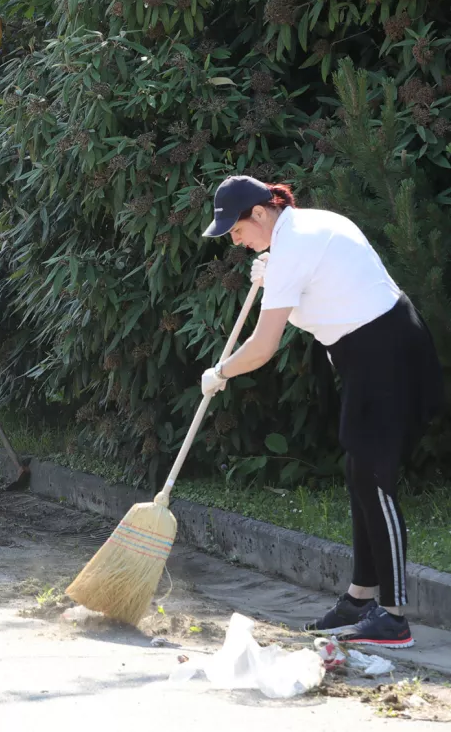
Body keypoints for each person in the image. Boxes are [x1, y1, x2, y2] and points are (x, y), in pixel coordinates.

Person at [200, 175, 444, 649]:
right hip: (375, 352)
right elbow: (324, 296)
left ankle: (393, 618)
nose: (237, 241)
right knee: (359, 471)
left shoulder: (294, 246)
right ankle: (359, 599)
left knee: (374, 476)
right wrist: (274, 277)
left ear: (260, 213)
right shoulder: (302, 231)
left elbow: (264, 346)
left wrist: (221, 371)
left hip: (386, 355)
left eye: (238, 230)